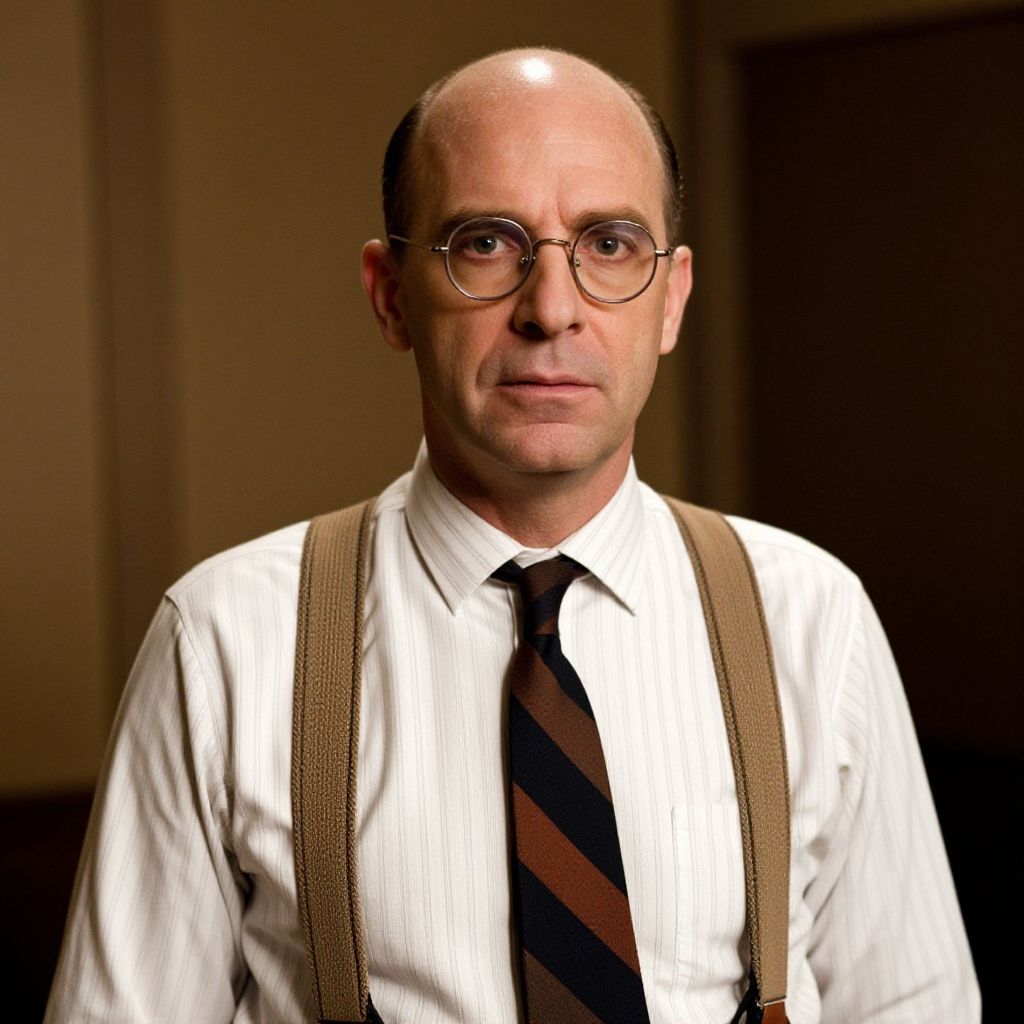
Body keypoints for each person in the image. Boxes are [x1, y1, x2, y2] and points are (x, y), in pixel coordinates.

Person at [46, 48, 979, 1023]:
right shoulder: (221, 643)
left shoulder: (813, 620)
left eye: (609, 243)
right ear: (390, 296)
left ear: (671, 299)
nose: (551, 309)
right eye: (486, 243)